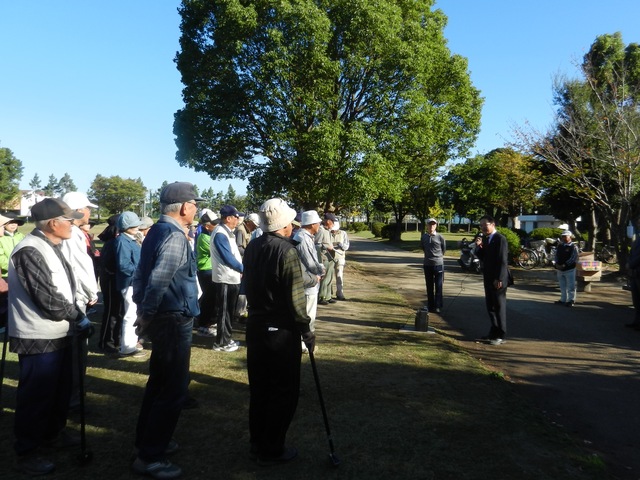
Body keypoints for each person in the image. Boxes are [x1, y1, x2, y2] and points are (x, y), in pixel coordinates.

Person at [8, 198, 91, 476]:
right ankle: (28, 451)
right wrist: (78, 316)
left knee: (60, 390)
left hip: (60, 332)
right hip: (38, 336)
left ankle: (52, 434)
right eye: (69, 219)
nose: (73, 223)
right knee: (36, 395)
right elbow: (49, 300)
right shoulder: (29, 250)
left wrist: (76, 314)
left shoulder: (54, 245)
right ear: (53, 223)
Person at [131, 181, 202, 479]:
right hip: (172, 319)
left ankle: (147, 441)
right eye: (195, 204)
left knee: (158, 383)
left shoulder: (157, 232)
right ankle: (150, 457)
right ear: (185, 207)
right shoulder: (173, 235)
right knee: (173, 389)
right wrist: (146, 314)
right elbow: (158, 280)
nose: (196, 209)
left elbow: (140, 276)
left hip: (164, 318)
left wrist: (142, 308)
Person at [242, 198, 313, 465]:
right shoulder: (287, 251)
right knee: (283, 391)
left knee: (260, 389)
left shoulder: (253, 246)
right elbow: (296, 299)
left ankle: (257, 442)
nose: (293, 226)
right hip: (280, 331)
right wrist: (306, 330)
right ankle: (272, 447)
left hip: (256, 327)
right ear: (284, 225)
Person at [210, 205, 244, 352]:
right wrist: (244, 269)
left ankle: (227, 339)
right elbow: (227, 258)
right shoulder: (220, 233)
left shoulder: (227, 232)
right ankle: (221, 343)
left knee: (229, 311)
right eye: (236, 217)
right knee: (224, 312)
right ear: (228, 218)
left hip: (231, 277)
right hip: (225, 278)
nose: (238, 220)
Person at [474, 215, 510, 345]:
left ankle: (501, 334)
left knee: (499, 306)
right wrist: (479, 247)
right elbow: (484, 257)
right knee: (490, 306)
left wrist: (499, 278)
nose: (483, 227)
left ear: (493, 224)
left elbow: (502, 260)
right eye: (481, 225)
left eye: (486, 224)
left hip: (498, 278)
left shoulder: (500, 239)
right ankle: (493, 331)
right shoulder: (487, 239)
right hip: (488, 277)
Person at [293, 210, 325, 352]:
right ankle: (304, 344)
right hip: (308, 281)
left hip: (308, 280)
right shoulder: (303, 237)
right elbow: (310, 262)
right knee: (308, 314)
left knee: (307, 313)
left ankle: (304, 342)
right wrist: (320, 271)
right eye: (318, 222)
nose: (319, 225)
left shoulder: (304, 236)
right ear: (312, 224)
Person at [115, 211, 145, 356]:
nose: (137, 227)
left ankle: (132, 344)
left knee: (133, 314)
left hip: (134, 282)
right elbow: (124, 265)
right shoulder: (123, 241)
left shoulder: (130, 239)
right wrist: (141, 272)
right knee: (130, 315)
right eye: (134, 225)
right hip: (129, 284)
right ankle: (127, 347)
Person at [97, 215, 122, 354]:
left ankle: (114, 339)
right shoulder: (112, 241)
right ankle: (106, 342)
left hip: (113, 279)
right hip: (111, 280)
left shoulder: (113, 240)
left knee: (116, 312)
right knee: (112, 311)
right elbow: (109, 264)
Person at [195, 211, 219, 337]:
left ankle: (208, 322)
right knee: (208, 298)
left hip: (211, 270)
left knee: (212, 298)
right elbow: (216, 249)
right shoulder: (204, 238)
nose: (216, 225)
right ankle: (203, 325)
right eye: (213, 223)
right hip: (205, 270)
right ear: (206, 226)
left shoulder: (210, 236)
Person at [420, 218, 446, 313]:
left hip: (438, 264)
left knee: (438, 286)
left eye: (433, 225)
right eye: (429, 225)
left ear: (436, 226)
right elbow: (423, 247)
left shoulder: (440, 237)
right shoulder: (424, 237)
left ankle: (438, 306)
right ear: (426, 226)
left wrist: (437, 257)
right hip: (427, 264)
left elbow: (443, 249)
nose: (431, 226)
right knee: (429, 286)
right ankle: (430, 306)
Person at [316, 213, 337, 305]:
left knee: (330, 277)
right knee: (324, 278)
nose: (333, 224)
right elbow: (317, 243)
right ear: (328, 221)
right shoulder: (321, 230)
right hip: (324, 257)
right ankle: (321, 296)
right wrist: (325, 247)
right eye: (332, 222)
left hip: (330, 257)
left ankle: (328, 296)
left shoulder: (328, 230)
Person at [554, 230, 579, 307]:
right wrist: (556, 264)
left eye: (565, 236)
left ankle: (571, 300)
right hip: (560, 269)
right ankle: (563, 299)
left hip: (570, 269)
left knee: (571, 286)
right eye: (563, 236)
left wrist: (564, 265)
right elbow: (556, 255)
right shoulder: (560, 246)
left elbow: (573, 258)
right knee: (562, 286)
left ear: (570, 237)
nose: (564, 238)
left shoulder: (573, 246)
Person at [330, 220, 350, 301]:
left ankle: (340, 293)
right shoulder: (328, 232)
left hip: (340, 257)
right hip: (330, 257)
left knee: (339, 276)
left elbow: (346, 246)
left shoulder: (343, 233)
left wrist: (340, 245)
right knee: (329, 276)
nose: (333, 231)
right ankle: (328, 294)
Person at [627, 216, 640, 330]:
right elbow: (632, 253)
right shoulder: (637, 240)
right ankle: (636, 321)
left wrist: (631, 264)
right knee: (636, 300)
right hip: (635, 274)